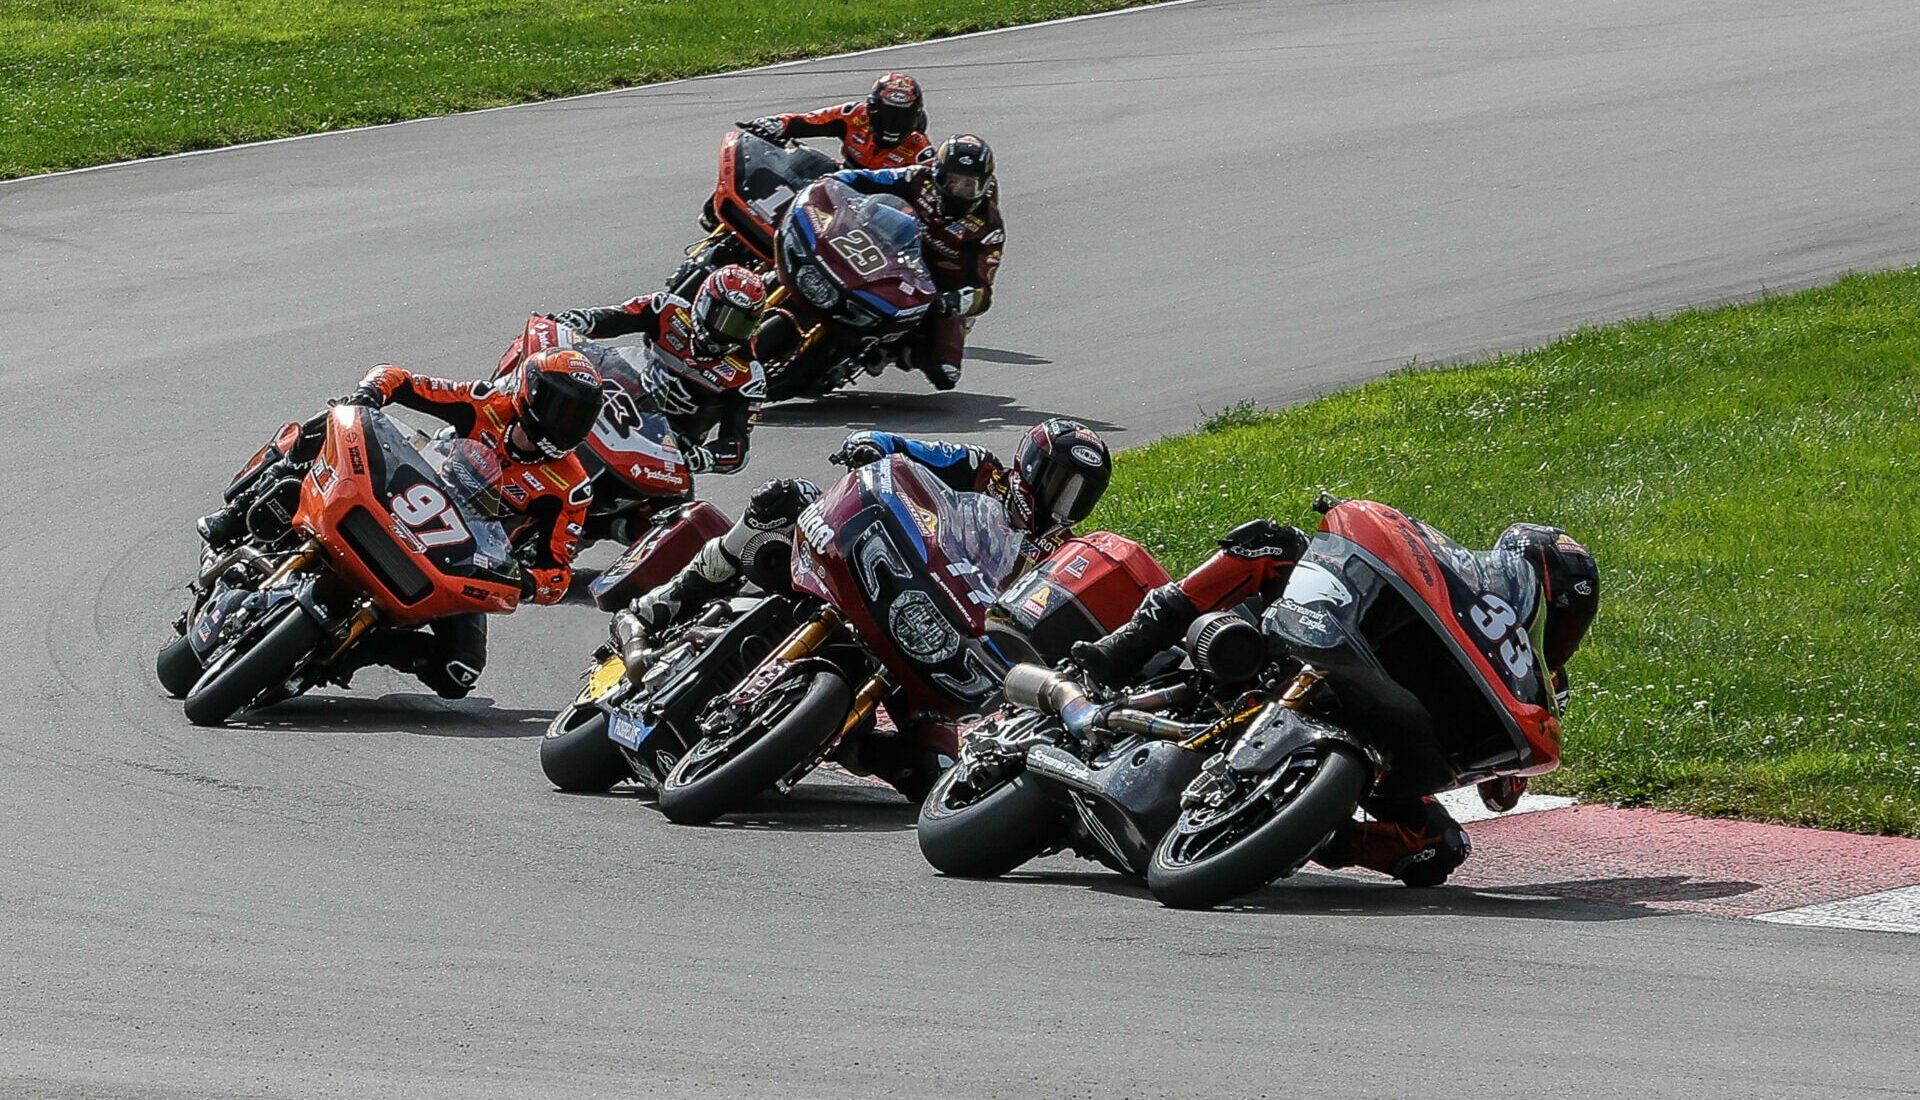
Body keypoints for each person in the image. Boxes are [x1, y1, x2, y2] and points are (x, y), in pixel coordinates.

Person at [1071, 519, 1600, 887]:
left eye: (1572, 619)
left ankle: (1291, 838)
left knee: (1438, 849)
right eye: (1559, 609)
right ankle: (1120, 650)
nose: (1561, 627)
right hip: (1322, 652)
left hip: (1391, 748)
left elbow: (1502, 794)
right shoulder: (1463, 590)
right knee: (1272, 543)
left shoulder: (1544, 689)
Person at [196, 349, 605, 698]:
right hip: (403, 491)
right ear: (527, 393)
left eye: (579, 418)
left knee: (458, 673)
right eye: (559, 408)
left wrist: (529, 583)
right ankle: (232, 519)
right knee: (333, 418)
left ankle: (353, 650)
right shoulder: (486, 403)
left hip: (458, 555)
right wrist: (369, 395)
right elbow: (399, 378)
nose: (565, 425)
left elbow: (558, 572)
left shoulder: (569, 487)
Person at [625, 418, 1112, 636]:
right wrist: (871, 443)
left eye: (1078, 493)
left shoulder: (1058, 554)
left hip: (941, 620)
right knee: (784, 499)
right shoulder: (980, 468)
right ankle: (672, 598)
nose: (1062, 501)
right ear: (1030, 464)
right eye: (1059, 482)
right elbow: (908, 447)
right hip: (892, 559)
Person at [546, 265, 769, 478]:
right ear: (703, 302)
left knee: (675, 512)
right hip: (619, 408)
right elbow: (612, 317)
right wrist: (578, 321)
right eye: (723, 318)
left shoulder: (748, 375)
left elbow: (738, 448)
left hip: (664, 452)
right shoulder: (666, 309)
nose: (726, 332)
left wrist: (705, 457)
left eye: (740, 326)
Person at [821, 134, 1003, 390]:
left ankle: (895, 351)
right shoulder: (917, 177)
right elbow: (869, 179)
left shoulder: (988, 228)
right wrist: (831, 182)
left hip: (935, 292)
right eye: (952, 181)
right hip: (890, 255)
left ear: (983, 186)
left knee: (946, 374)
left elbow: (982, 291)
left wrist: (955, 300)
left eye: (968, 185)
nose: (959, 191)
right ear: (938, 173)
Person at [739, 72, 933, 171]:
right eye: (887, 116)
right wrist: (776, 124)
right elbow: (808, 121)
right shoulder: (854, 115)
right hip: (839, 185)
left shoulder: (920, 152)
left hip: (875, 212)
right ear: (871, 110)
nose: (893, 125)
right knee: (804, 162)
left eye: (902, 118)